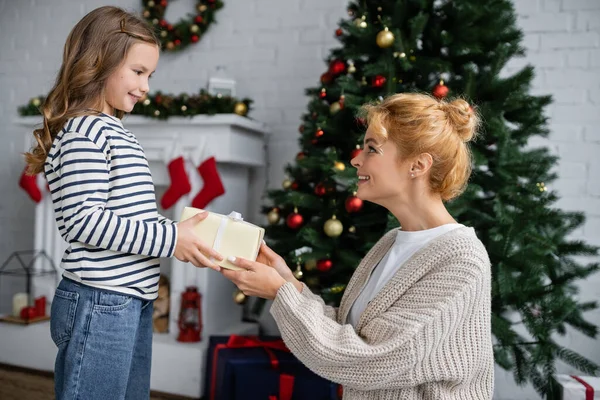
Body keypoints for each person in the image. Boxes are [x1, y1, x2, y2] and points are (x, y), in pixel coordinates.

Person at [222, 93, 494, 399]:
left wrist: (279, 293)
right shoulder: (391, 242)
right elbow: (350, 332)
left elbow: (372, 360)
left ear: (417, 165)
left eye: (372, 149)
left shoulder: (461, 259)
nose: (356, 159)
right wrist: (288, 283)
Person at [23, 6, 222, 400]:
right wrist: (170, 238)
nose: (146, 86)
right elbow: (83, 221)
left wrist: (181, 238)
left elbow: (126, 219)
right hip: (101, 301)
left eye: (150, 75)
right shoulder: (84, 132)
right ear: (99, 63)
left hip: (130, 298)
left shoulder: (113, 130)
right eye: (138, 72)